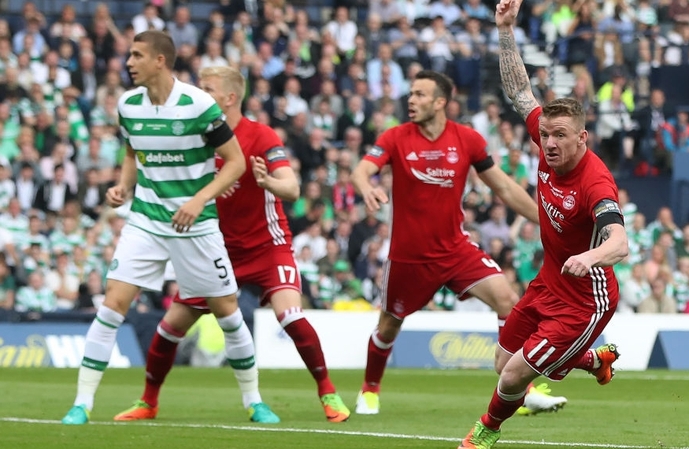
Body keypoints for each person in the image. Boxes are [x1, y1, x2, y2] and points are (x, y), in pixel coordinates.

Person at [112, 66, 351, 424]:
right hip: (215, 249)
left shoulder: (261, 135)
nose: (198, 94)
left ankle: (328, 393)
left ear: (230, 98)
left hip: (266, 246)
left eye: (207, 88)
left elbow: (293, 188)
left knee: (291, 316)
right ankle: (148, 402)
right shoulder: (195, 136)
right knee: (171, 326)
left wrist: (267, 180)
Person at [458, 1, 628, 447]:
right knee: (502, 362)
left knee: (515, 375)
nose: (548, 143)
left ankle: (483, 434)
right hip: (548, 282)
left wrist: (589, 255)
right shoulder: (546, 138)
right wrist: (507, 29)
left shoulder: (595, 182)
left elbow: (620, 241)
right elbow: (519, 92)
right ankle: (594, 362)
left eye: (559, 136)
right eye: (545, 135)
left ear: (582, 138)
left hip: (584, 301)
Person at [61, 31, 252, 425]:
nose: (128, 62)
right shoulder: (128, 105)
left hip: (196, 225)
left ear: (160, 60)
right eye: (129, 55)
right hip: (146, 220)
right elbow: (133, 151)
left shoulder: (198, 104)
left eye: (136, 55)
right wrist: (124, 185)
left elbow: (235, 162)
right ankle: (81, 404)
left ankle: (254, 401)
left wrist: (199, 199)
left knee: (228, 311)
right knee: (112, 304)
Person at [351, 69, 566, 416]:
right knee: (388, 326)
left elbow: (505, 187)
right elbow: (361, 170)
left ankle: (518, 390)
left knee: (507, 299)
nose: (411, 100)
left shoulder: (466, 139)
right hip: (409, 257)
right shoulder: (395, 137)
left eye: (420, 94)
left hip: (455, 249)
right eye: (411, 94)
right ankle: (369, 390)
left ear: (440, 102)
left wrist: (548, 222)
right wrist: (366, 187)